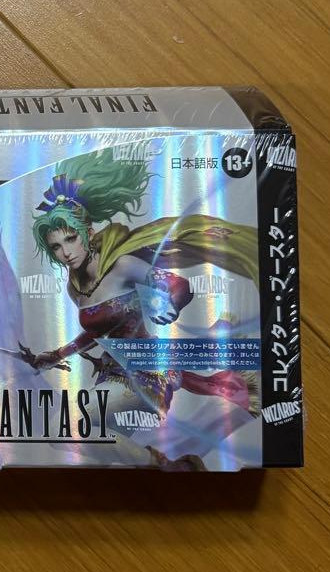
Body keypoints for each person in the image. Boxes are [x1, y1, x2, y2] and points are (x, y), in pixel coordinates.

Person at [25, 148, 259, 417]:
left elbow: (179, 286)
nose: (66, 252)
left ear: (88, 233)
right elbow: (96, 332)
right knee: (91, 437)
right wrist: (57, 355)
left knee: (78, 420)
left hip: (148, 374)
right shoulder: (74, 287)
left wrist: (167, 302)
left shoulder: (121, 266)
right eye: (56, 246)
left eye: (70, 239)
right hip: (112, 371)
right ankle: (230, 387)